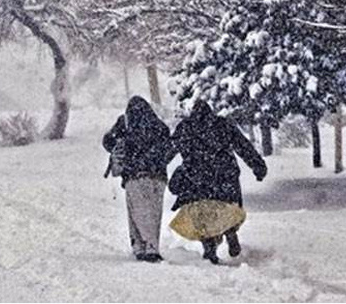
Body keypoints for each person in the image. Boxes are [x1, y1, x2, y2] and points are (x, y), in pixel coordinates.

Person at [168, 100, 267, 264]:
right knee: (226, 209)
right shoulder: (223, 125)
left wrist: (154, 164)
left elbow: (169, 150)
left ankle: (209, 249)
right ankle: (230, 231)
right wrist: (258, 166)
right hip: (225, 177)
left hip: (197, 180)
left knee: (203, 215)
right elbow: (243, 146)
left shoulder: (185, 127)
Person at [102, 96, 172, 263]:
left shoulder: (125, 122)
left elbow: (106, 141)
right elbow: (168, 148)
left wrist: (123, 148)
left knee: (137, 212)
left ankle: (140, 246)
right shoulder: (158, 125)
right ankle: (152, 245)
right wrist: (154, 161)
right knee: (154, 213)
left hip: (135, 175)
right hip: (158, 177)